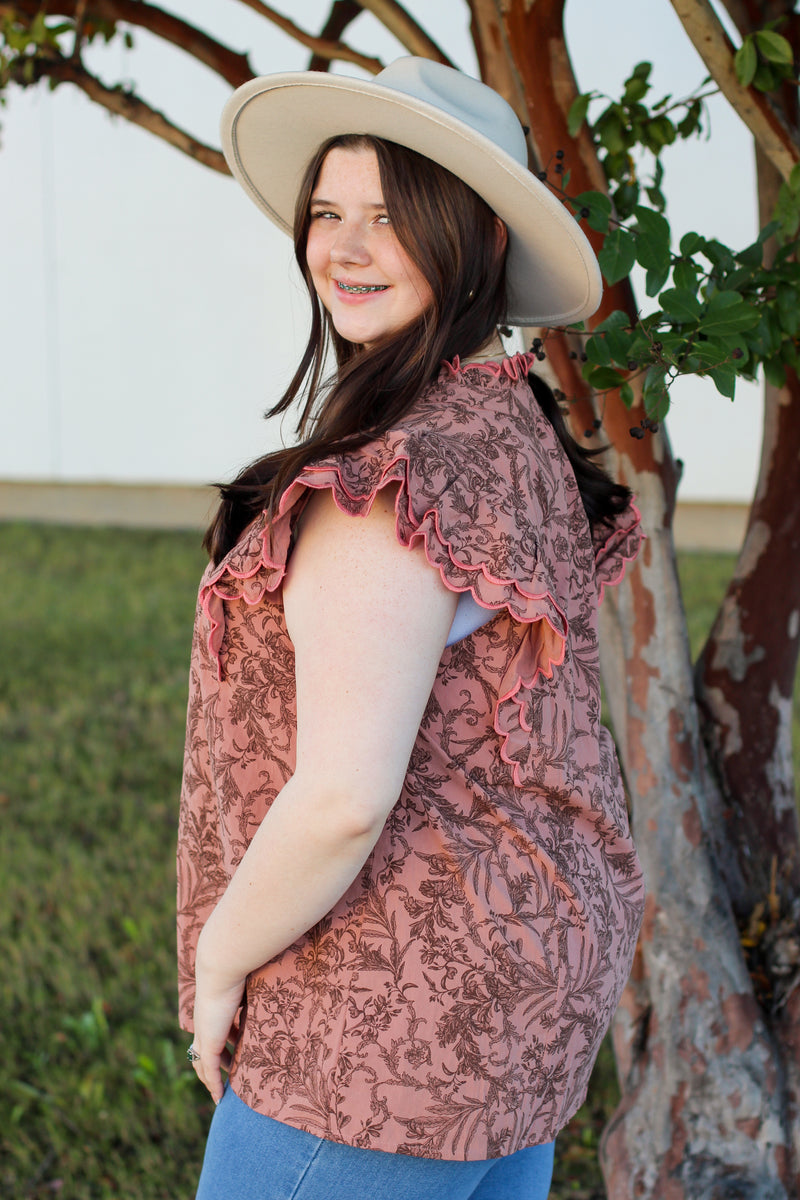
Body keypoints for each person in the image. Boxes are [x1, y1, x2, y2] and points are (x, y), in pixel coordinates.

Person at [176, 57, 646, 1200]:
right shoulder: (507, 424)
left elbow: (342, 800)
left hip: (377, 1029)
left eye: (389, 218)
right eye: (326, 214)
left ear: (475, 243)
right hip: (513, 1012)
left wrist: (220, 967)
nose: (341, 249)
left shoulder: (390, 484)